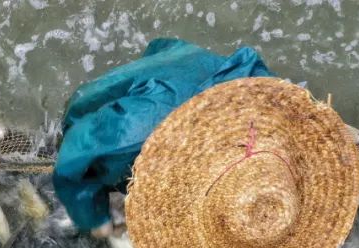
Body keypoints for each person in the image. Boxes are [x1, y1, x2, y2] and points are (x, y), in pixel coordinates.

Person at [52, 38, 271, 237]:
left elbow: (162, 45)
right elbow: (75, 148)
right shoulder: (136, 128)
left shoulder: (252, 89)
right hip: (101, 120)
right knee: (91, 162)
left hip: (188, 67)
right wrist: (96, 217)